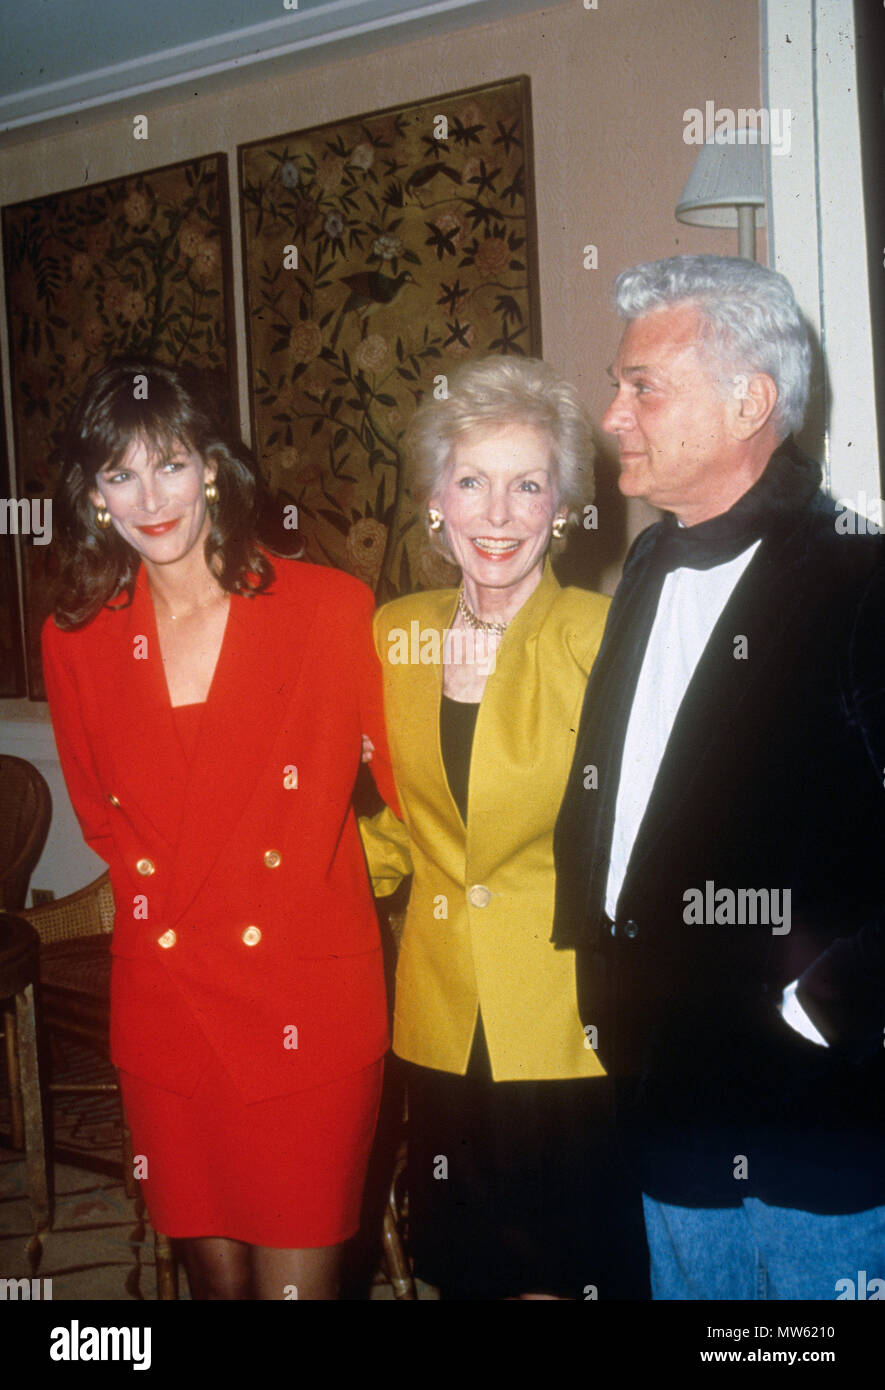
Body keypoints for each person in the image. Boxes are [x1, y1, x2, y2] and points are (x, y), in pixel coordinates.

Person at [553, 255, 885, 1300]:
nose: (613, 416)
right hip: (660, 1082)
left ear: (749, 402)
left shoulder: (859, 578)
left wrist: (828, 1004)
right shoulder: (650, 566)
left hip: (812, 1111)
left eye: (642, 386)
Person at [42, 359, 399, 1300]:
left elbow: (410, 793)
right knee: (214, 1283)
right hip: (168, 1007)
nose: (149, 498)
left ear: (211, 467)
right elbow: (102, 822)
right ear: (91, 496)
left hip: (304, 1010)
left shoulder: (330, 609)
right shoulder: (75, 637)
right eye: (119, 474)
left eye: (168, 464)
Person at [360, 355, 649, 1300]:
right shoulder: (389, 638)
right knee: (467, 1264)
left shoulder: (604, 639)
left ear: (562, 507)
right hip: (440, 1016)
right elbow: (392, 828)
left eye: (527, 486)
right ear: (433, 500)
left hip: (566, 1018)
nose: (496, 514)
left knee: (562, 1271)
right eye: (471, 482)